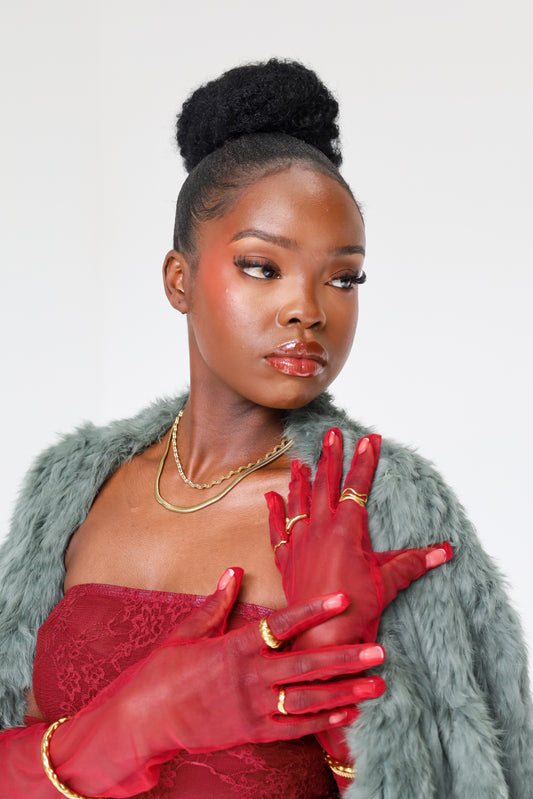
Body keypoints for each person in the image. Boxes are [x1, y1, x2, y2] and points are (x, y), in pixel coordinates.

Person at [0, 59, 531, 799]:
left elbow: (472, 780)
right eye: (261, 266)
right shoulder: (74, 488)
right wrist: (138, 720)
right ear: (178, 279)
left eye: (342, 277)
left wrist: (341, 684)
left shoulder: (375, 505)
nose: (307, 309)